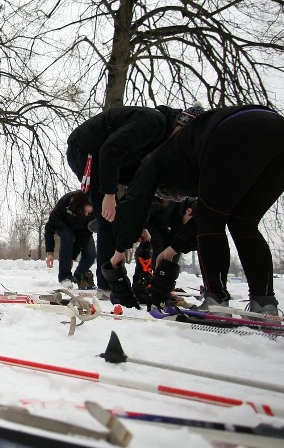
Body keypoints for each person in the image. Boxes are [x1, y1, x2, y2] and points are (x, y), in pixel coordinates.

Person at [102, 105, 284, 315]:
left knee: (210, 222)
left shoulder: (155, 159)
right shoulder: (191, 156)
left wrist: (119, 249)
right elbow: (209, 209)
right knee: (243, 222)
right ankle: (265, 302)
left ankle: (216, 299)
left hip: (233, 131)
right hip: (277, 129)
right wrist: (175, 247)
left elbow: (135, 202)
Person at [66, 104, 186, 297]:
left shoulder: (160, 140)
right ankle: (106, 285)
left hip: (114, 159)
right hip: (88, 151)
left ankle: (126, 226)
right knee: (107, 219)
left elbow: (139, 192)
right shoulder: (152, 122)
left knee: (143, 182)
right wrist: (109, 194)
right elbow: (110, 149)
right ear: (179, 126)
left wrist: (140, 225)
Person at [44, 190, 96, 289]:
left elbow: (84, 237)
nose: (87, 215)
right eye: (85, 211)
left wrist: (72, 257)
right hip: (64, 225)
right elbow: (49, 228)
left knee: (91, 255)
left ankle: (78, 275)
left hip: (82, 230)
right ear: (80, 206)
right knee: (68, 236)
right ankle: (65, 277)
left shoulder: (91, 215)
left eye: (90, 213)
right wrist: (50, 252)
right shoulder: (65, 203)